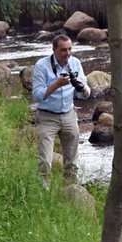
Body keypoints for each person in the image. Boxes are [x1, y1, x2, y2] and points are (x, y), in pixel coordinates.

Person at [28, 33, 88, 188]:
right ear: (54, 49)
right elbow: (37, 96)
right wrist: (56, 84)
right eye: (63, 50)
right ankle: (44, 193)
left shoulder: (75, 63)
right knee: (45, 161)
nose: (67, 54)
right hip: (47, 117)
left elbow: (84, 91)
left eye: (69, 49)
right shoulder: (42, 66)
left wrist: (82, 88)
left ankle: (70, 190)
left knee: (72, 161)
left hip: (69, 115)